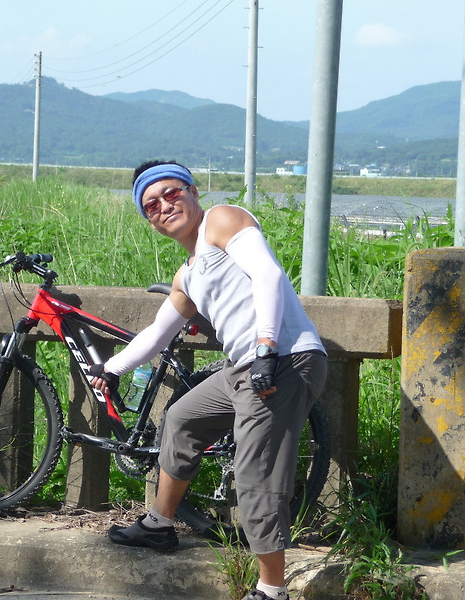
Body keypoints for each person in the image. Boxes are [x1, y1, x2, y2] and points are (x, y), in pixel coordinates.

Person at [89, 160, 327, 600]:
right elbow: (157, 334)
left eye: (171, 193)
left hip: (285, 359)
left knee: (257, 473)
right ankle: (160, 525)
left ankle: (272, 589)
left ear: (193, 191)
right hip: (243, 366)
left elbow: (268, 274)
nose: (164, 206)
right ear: (150, 220)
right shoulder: (188, 274)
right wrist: (112, 369)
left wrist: (265, 347)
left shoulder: (222, 219)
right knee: (181, 418)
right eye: (151, 205)